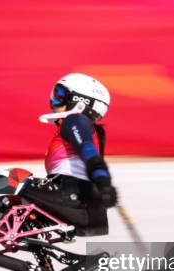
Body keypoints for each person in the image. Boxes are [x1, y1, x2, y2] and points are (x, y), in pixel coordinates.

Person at [21, 73, 118, 237]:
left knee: (12, 177)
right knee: (20, 206)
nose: (53, 102)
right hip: (90, 210)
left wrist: (104, 182)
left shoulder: (75, 120)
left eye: (60, 96)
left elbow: (88, 152)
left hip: (72, 197)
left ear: (80, 103)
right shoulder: (88, 128)